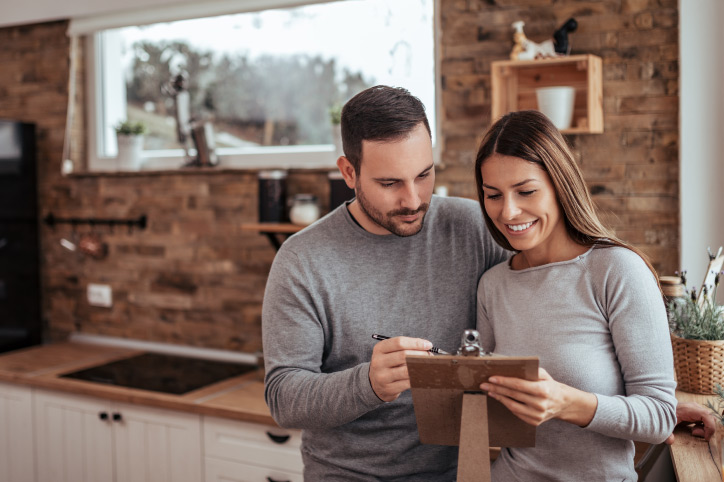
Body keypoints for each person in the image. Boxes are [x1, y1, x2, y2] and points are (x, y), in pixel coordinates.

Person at [262, 85, 509, 480]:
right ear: (349, 172)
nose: (413, 199)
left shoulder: (474, 229)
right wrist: (369, 383)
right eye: (390, 183)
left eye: (424, 175)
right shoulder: (302, 260)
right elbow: (283, 398)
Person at [474, 110, 677, 481]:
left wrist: (568, 403)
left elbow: (661, 417)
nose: (509, 211)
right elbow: (487, 413)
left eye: (526, 191)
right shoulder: (493, 285)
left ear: (560, 185)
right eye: (493, 195)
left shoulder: (616, 270)